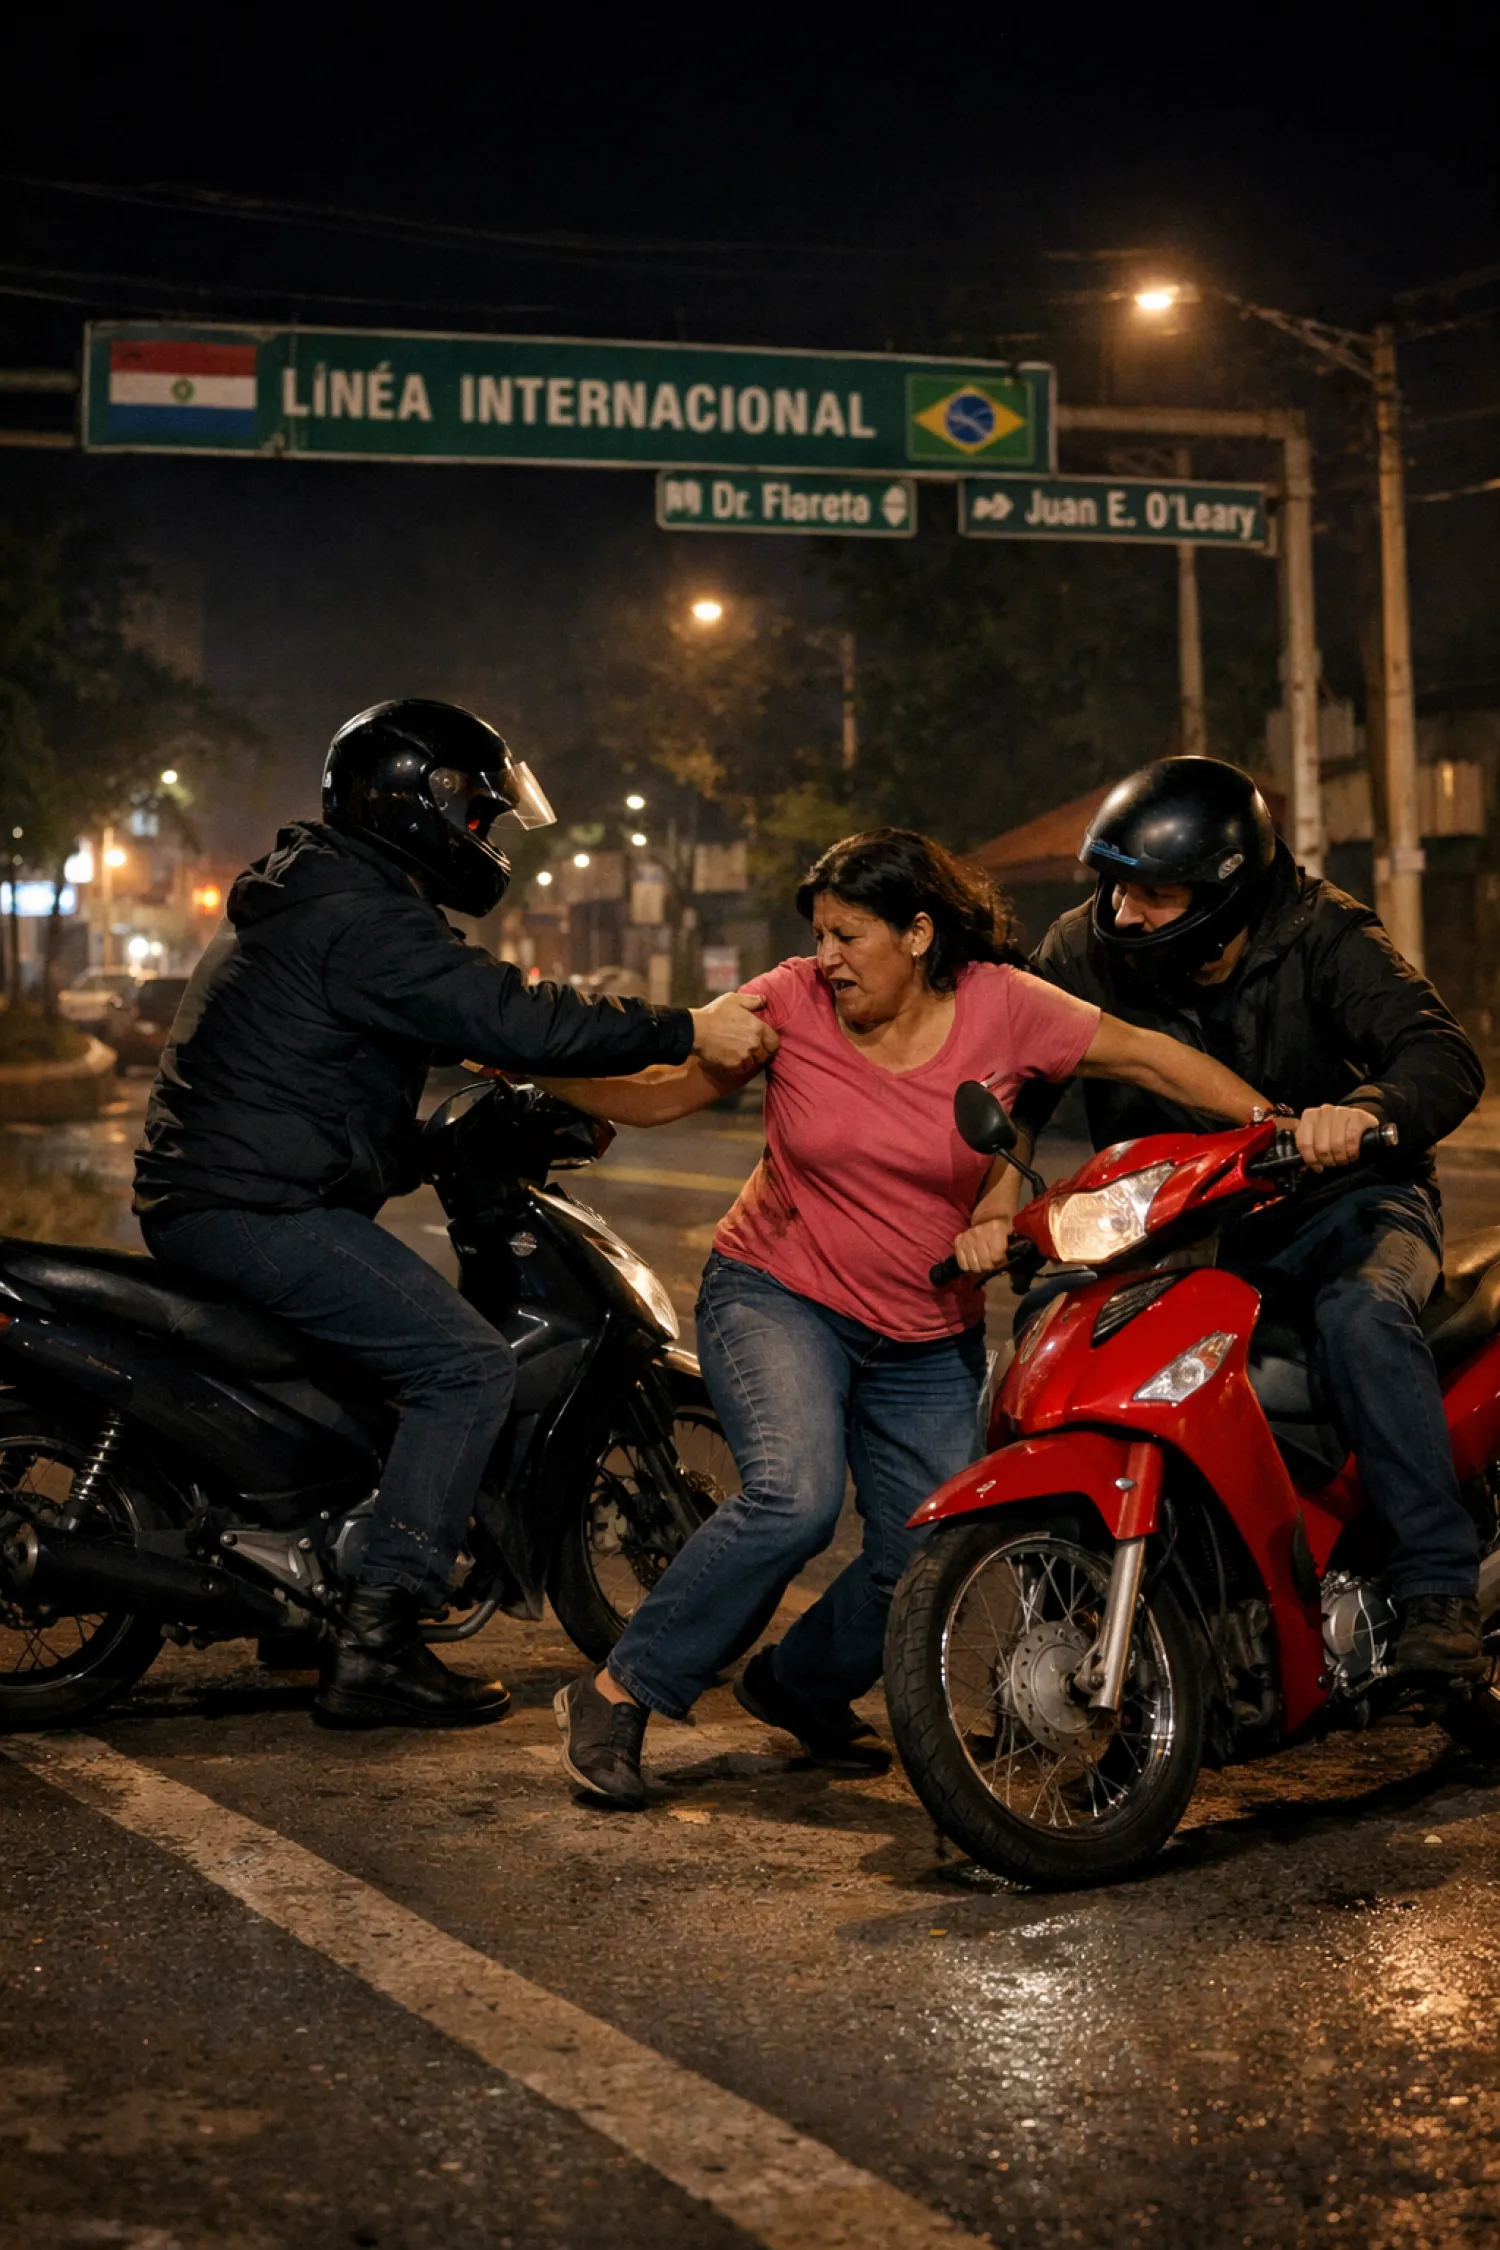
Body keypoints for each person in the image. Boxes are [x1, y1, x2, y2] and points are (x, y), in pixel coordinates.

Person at [542, 827, 1271, 1808]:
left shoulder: (1006, 1007)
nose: (826, 957)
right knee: (792, 1498)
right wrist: (529, 1058)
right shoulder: (792, 999)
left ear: (919, 933)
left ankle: (794, 1687)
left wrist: (1276, 1128)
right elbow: (662, 1094)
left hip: (926, 1326)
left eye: (848, 936)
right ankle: (618, 1692)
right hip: (778, 1291)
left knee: (921, 1556)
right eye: (820, 935)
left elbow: (1150, 1061)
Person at [133, 699, 774, 1730]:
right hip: (255, 1207)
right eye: (476, 815)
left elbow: (329, 1088)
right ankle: (379, 1640)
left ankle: (310, 1598)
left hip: (240, 1192)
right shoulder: (364, 916)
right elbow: (508, 1013)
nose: (482, 839)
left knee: (373, 1377)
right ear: (420, 802)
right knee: (464, 1369)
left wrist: (442, 1144)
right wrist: (685, 1024)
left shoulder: (325, 896)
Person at [1012, 754, 1486, 1682]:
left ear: (1225, 895)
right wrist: (997, 1190)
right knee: (1048, 1332)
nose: (1124, 914)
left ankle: (1438, 1589)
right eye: (1115, 889)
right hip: (1176, 1219)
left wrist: (1371, 1111)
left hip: (1341, 1203)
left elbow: (1440, 1053)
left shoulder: (1324, 933)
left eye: (1155, 895)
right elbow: (1021, 1069)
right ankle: (1068, 1615)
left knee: (1361, 1316)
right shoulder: (1080, 949)